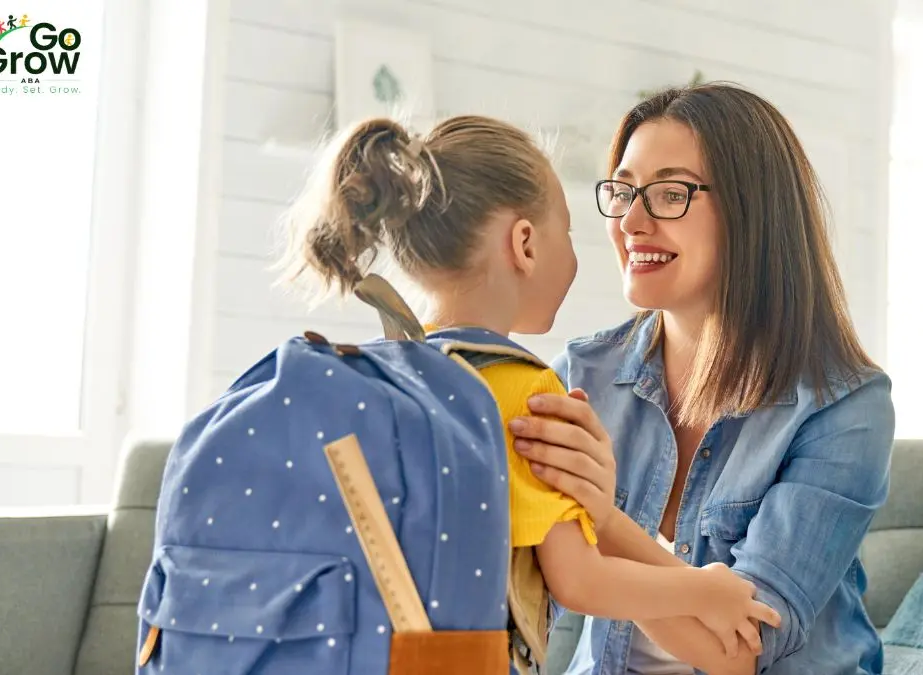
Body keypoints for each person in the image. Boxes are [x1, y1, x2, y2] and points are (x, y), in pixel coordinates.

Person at [279, 113, 782, 672]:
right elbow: (581, 581)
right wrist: (704, 590)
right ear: (524, 244)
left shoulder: (386, 373)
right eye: (565, 232)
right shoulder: (524, 388)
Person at [508, 83, 896, 674]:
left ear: (751, 213)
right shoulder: (580, 376)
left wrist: (604, 520)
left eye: (670, 194)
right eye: (623, 191)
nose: (631, 222)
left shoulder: (844, 406)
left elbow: (742, 652)